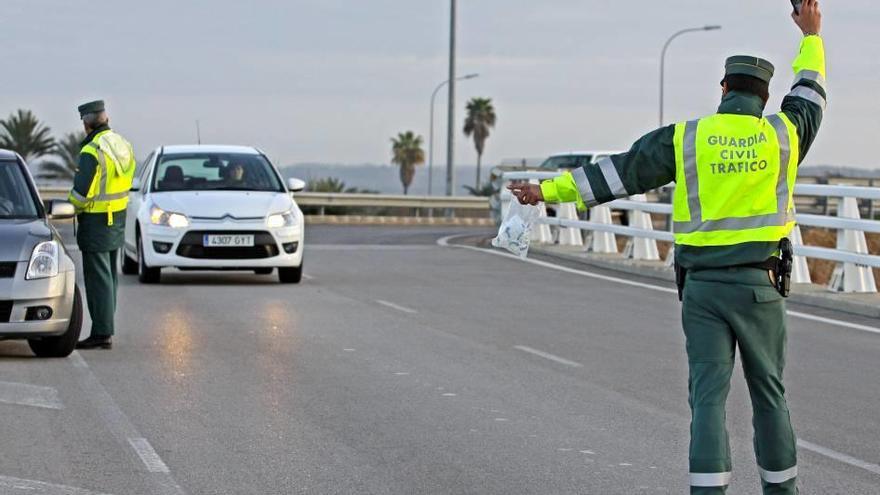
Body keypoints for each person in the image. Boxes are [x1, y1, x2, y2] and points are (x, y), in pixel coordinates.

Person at [509, 2, 824, 493]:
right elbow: (810, 92)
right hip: (761, 287)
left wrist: (546, 192)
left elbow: (618, 173)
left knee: (708, 400)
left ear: (723, 90)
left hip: (702, 292)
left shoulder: (686, 138)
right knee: (769, 396)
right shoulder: (783, 134)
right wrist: (811, 35)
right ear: (765, 97)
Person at [67, 100, 137, 350]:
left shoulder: (92, 150)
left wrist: (70, 206)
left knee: (98, 280)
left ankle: (101, 332)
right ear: (105, 118)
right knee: (109, 278)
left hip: (96, 221)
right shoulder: (121, 144)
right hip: (116, 217)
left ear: (86, 123)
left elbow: (81, 194)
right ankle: (105, 328)